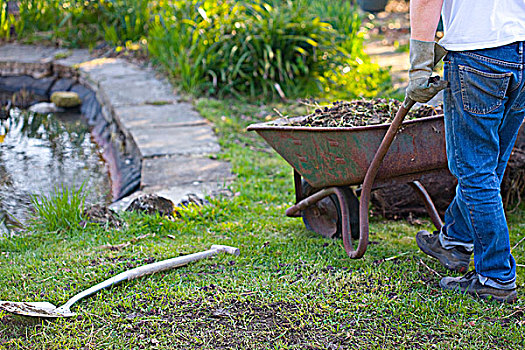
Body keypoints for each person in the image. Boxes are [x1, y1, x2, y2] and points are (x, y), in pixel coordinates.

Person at [407, 0, 525, 303]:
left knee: (475, 171)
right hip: (521, 49)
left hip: (478, 55)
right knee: (490, 163)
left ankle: (496, 276)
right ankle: (455, 240)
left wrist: (420, 65)